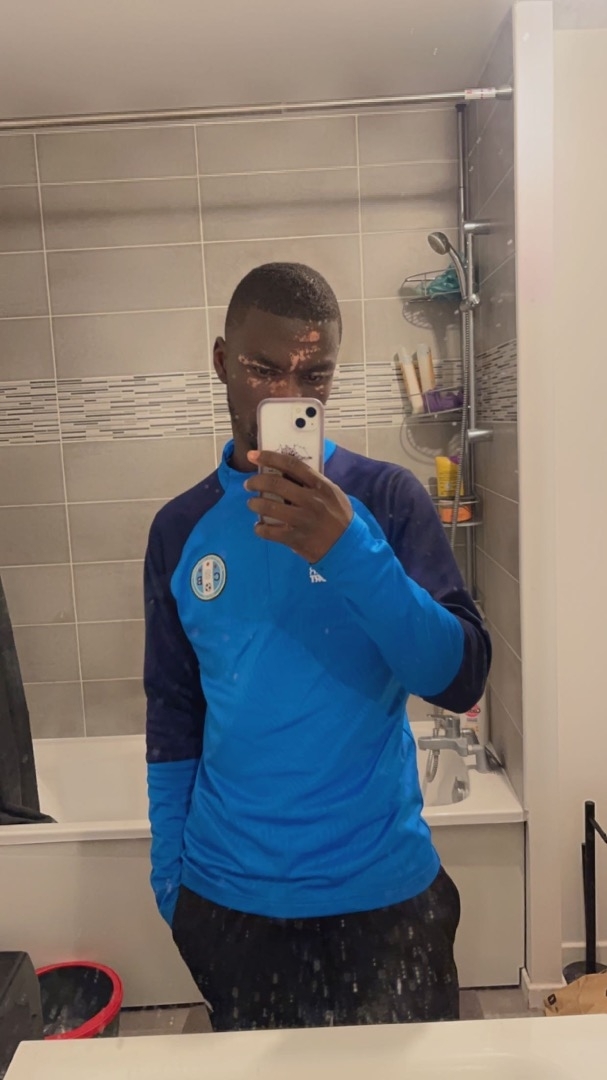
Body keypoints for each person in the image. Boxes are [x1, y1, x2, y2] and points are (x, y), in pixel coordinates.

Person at [144, 262, 491, 1032]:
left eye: (312, 376)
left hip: (385, 895)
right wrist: (173, 884)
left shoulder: (386, 503)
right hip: (230, 902)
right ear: (221, 362)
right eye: (263, 369)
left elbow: (458, 678)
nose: (285, 395)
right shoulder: (179, 529)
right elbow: (172, 710)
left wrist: (348, 550)